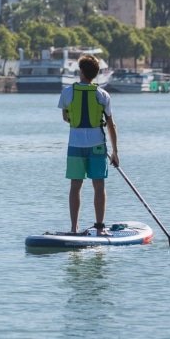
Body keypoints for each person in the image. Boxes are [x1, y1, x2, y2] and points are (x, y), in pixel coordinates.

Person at [58, 54, 119, 236]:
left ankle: (74, 228)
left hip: (75, 145)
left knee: (75, 185)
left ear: (81, 72)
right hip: (98, 145)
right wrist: (115, 152)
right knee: (98, 186)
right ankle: (100, 228)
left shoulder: (67, 93)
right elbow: (110, 124)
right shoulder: (103, 95)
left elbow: (66, 117)